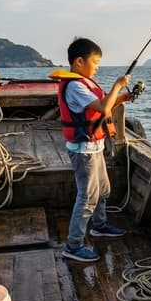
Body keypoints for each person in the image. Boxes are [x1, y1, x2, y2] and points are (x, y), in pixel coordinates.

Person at [52, 37, 132, 263]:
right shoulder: (76, 86)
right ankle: (73, 245)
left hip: (94, 147)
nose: (97, 67)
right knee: (87, 197)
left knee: (103, 190)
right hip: (83, 150)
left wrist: (124, 96)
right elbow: (104, 106)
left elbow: (103, 109)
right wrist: (118, 84)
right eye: (95, 62)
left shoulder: (84, 84)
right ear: (79, 61)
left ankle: (100, 225)